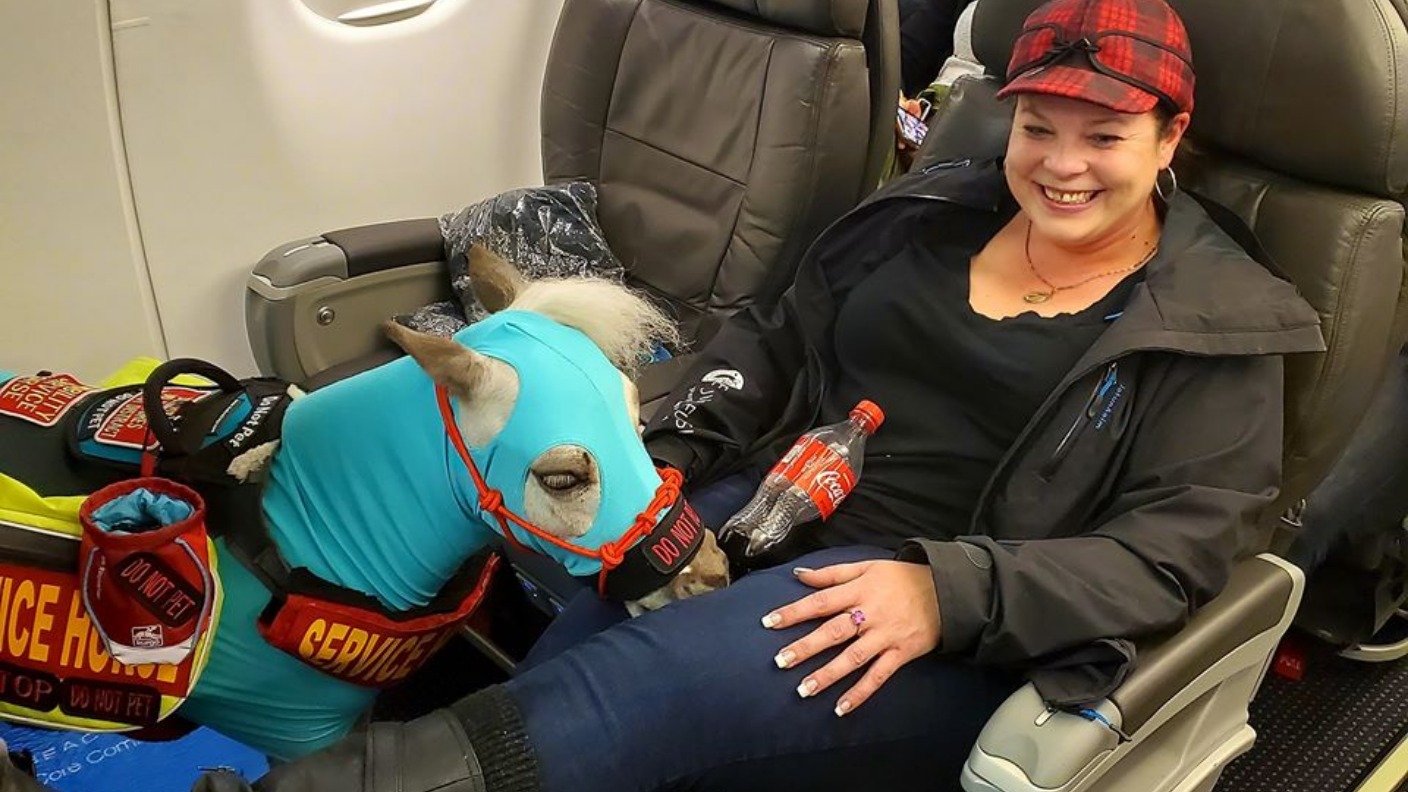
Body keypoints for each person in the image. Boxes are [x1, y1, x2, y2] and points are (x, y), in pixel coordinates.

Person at [180, 0, 1325, 790]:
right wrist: (670, 455)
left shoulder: (1213, 325)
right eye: (1037, 128)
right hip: (769, 505)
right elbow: (774, 341)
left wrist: (951, 591)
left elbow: (1166, 557)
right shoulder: (928, 213)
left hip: (940, 621)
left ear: (1169, 138)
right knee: (571, 652)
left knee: (618, 703)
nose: (1060, 166)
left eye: (1104, 136)